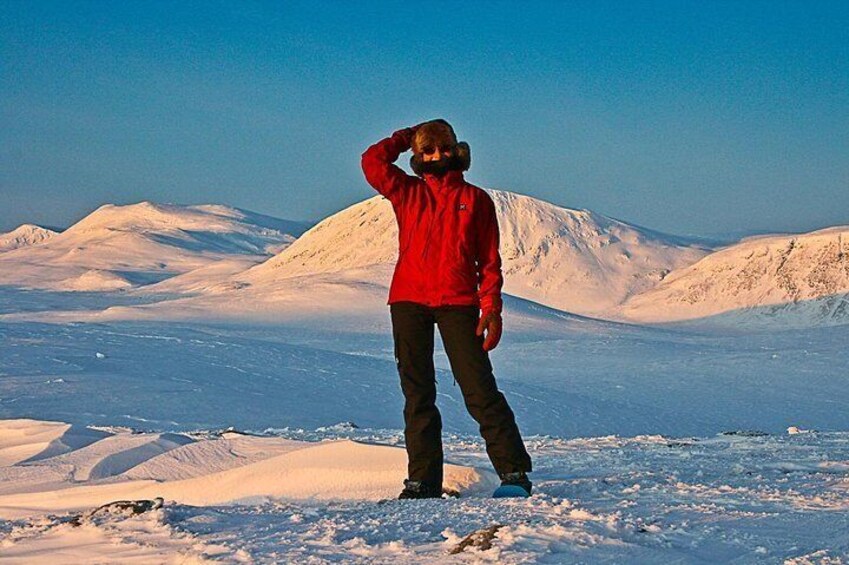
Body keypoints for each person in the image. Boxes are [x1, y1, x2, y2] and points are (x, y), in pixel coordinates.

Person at [361, 119, 533, 499]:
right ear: (418, 157)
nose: (436, 155)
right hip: (408, 301)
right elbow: (372, 161)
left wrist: (491, 307)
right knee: (417, 393)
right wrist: (408, 135)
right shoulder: (407, 192)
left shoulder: (476, 200)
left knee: (478, 388)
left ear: (456, 151)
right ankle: (423, 481)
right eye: (428, 150)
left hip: (458, 302)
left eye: (442, 148)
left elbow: (489, 260)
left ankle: (514, 472)